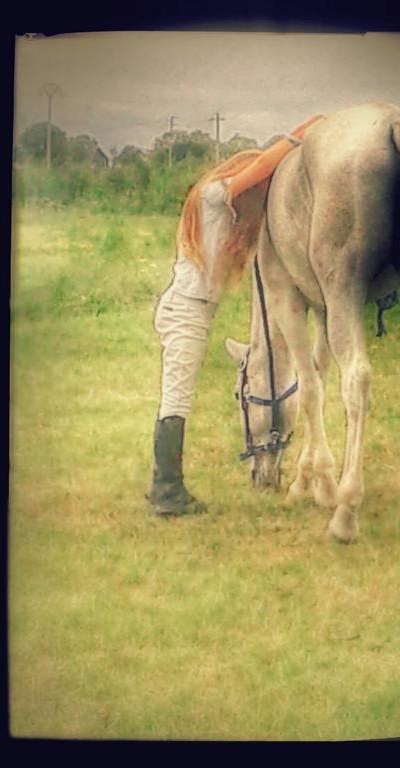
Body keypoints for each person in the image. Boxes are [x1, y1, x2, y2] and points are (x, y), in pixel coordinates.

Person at [147, 114, 325, 517]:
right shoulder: (213, 193)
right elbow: (262, 166)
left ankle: (163, 486)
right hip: (186, 311)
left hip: (192, 310)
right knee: (176, 398)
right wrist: (302, 132)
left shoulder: (226, 217)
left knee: (178, 396)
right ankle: (166, 492)